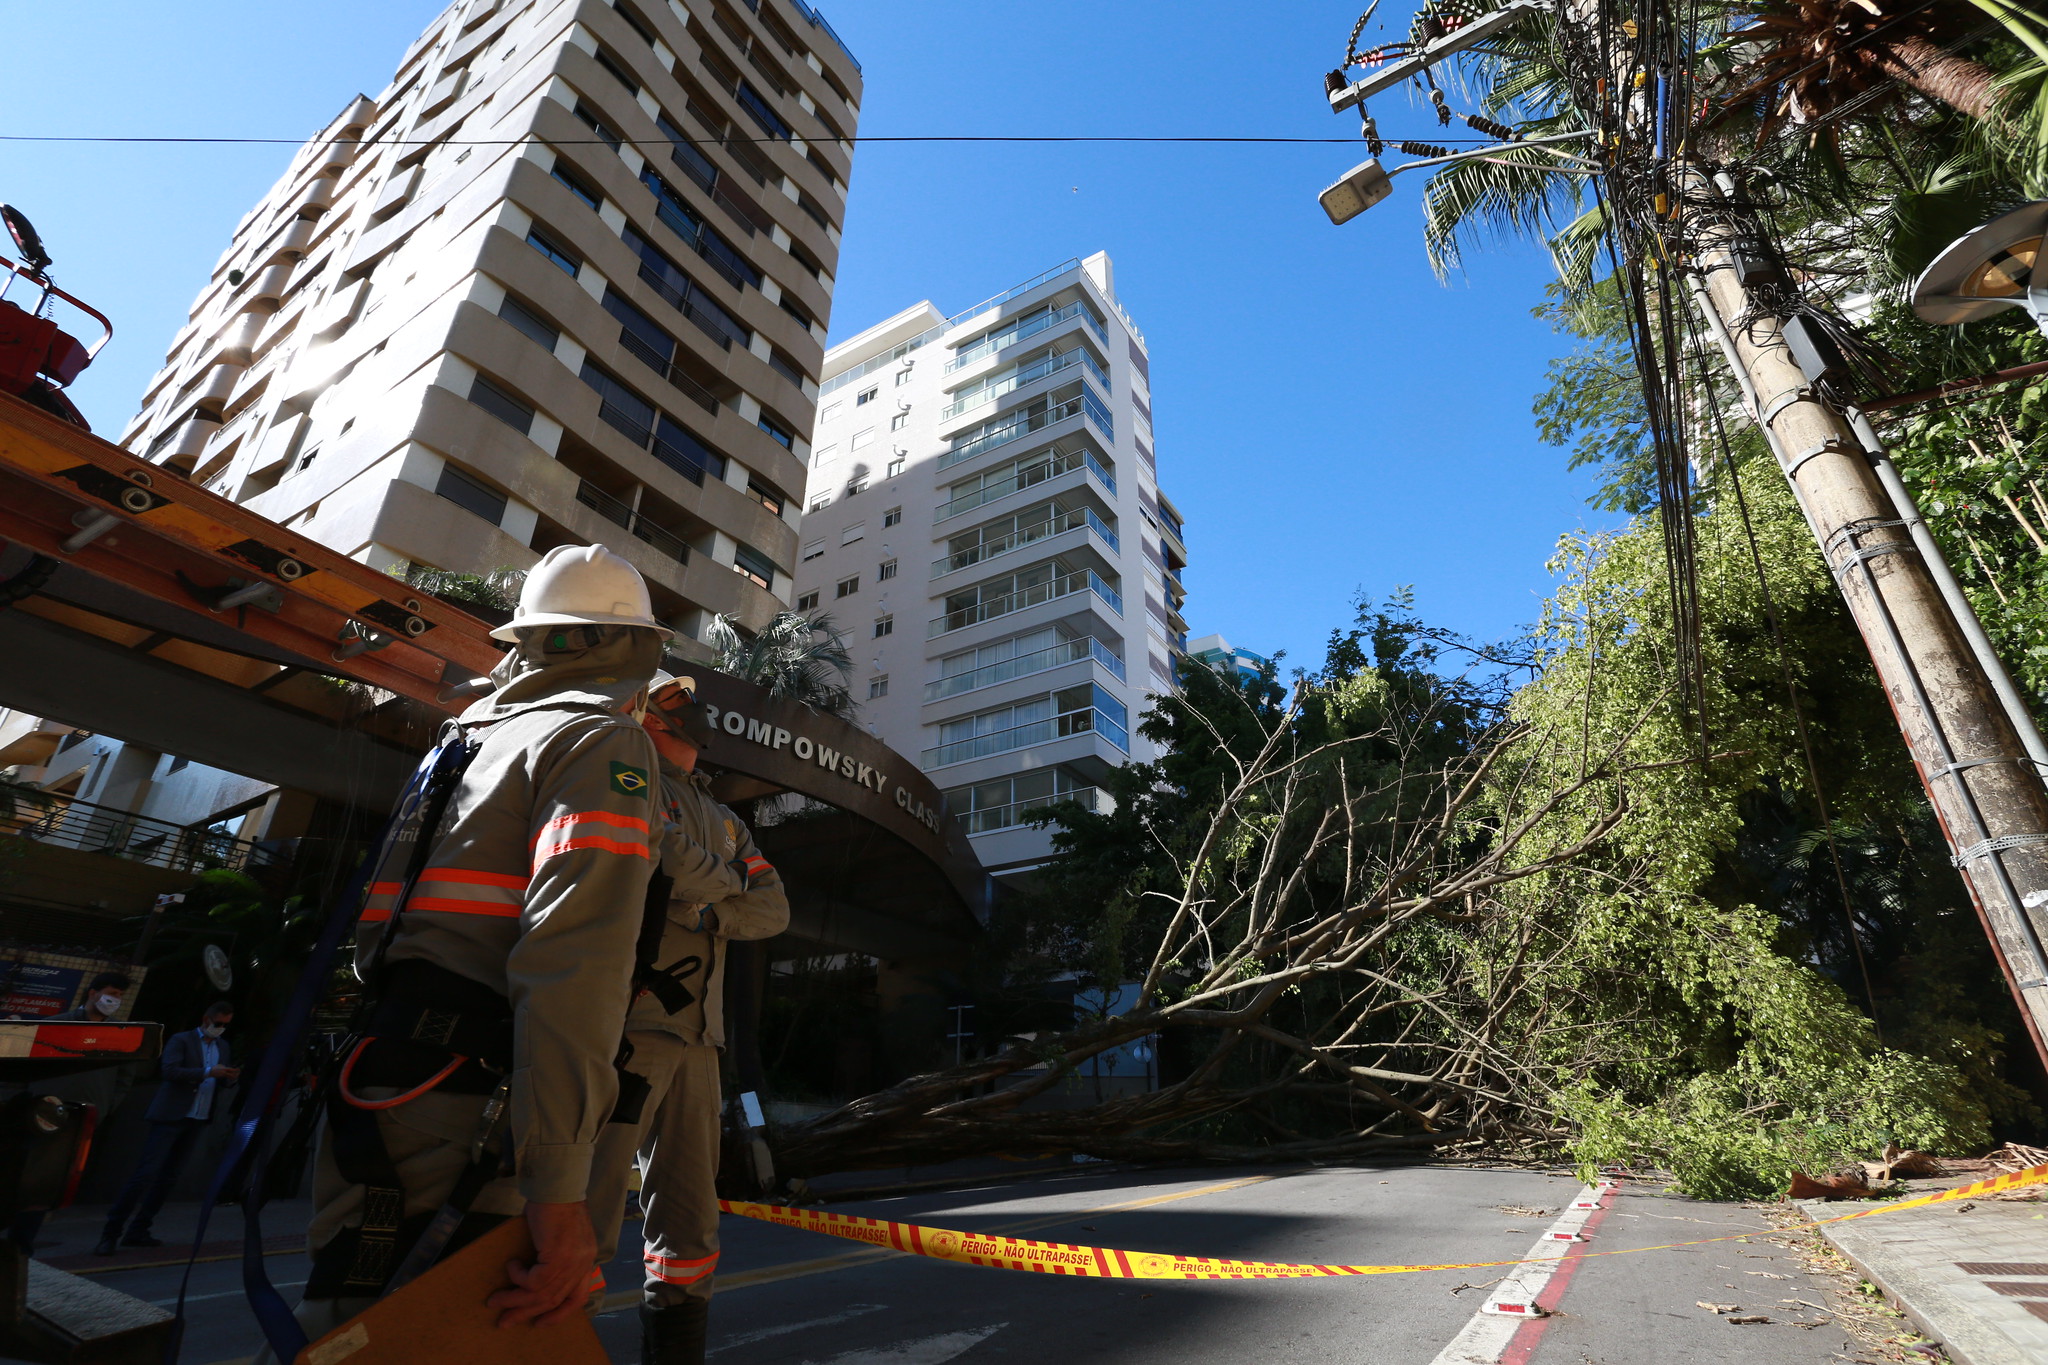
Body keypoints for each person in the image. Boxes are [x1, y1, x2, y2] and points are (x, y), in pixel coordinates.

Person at [285, 543, 668, 1344]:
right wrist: (561, 1190)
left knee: (342, 1323)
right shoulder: (596, 742)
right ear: (630, 648)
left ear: (527, 641)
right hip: (467, 1107)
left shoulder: (461, 741)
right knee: (447, 1336)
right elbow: (574, 964)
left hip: (385, 1077)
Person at [587, 672, 788, 1365]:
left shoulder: (727, 818)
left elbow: (775, 907)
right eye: (677, 701)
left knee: (688, 1222)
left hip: (701, 1041)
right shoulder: (629, 772)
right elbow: (659, 854)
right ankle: (545, 1333)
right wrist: (728, 883)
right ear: (645, 713)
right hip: (630, 1028)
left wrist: (706, 905)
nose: (695, 714)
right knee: (583, 1204)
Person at [93, 999, 238, 1255]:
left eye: (225, 1025)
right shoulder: (182, 1040)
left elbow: (218, 1080)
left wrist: (227, 1077)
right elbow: (170, 1071)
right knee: (145, 1174)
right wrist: (207, 1072)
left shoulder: (222, 1046)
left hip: (197, 1117)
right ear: (206, 1019)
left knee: (169, 1177)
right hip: (171, 1116)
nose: (220, 1028)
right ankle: (111, 1233)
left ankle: (139, 1229)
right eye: (218, 1023)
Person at [7, 972, 134, 1251]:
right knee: (30, 1174)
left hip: (85, 1119)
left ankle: (22, 1243)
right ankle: (16, 1239)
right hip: (44, 1114)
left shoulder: (120, 1034)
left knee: (54, 1181)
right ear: (92, 993)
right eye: (112, 993)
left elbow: (125, 1076)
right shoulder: (56, 1024)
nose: (115, 1000)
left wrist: (106, 1107)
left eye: (120, 996)